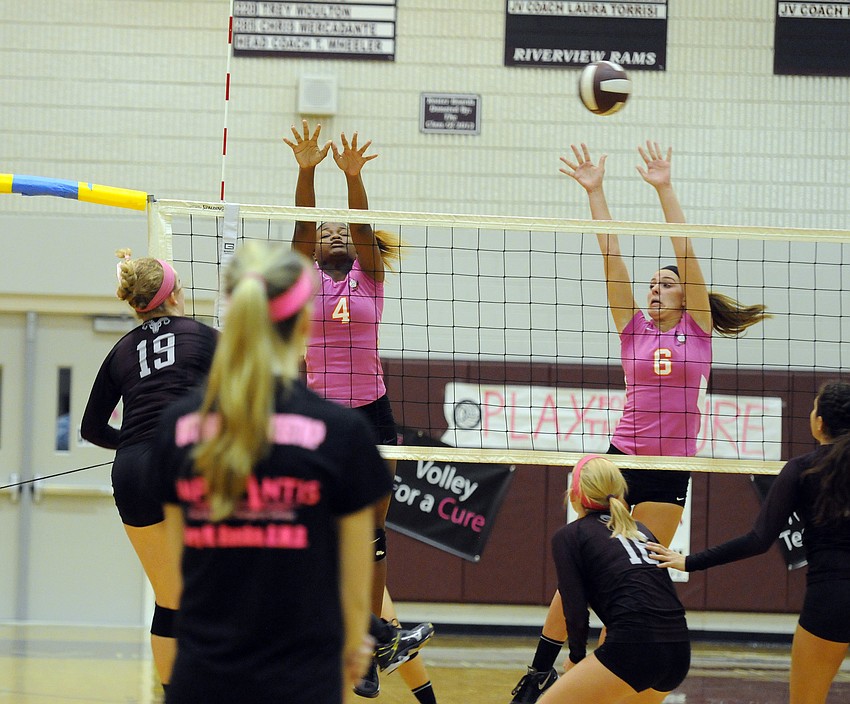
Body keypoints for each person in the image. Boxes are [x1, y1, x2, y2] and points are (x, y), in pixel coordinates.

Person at [510, 142, 769, 703]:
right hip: (621, 462)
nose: (656, 286)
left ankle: (611, 676)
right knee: (585, 568)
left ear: (687, 296)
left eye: (667, 282)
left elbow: (685, 246)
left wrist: (662, 187)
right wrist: (595, 191)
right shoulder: (632, 327)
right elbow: (611, 256)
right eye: (653, 281)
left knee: (634, 582)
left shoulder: (695, 329)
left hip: (670, 471)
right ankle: (540, 669)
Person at [152, 241, 427, 703]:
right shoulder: (341, 435)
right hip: (305, 673)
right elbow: (356, 591)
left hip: (204, 673)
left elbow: (186, 569)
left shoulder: (178, 430)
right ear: (305, 321)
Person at [285, 119, 426, 698]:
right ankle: (324, 633)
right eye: (327, 230)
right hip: (318, 416)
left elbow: (363, 227)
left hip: (371, 414)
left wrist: (354, 180)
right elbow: (299, 229)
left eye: (343, 229)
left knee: (373, 534)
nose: (335, 232)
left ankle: (370, 651)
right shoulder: (303, 279)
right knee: (316, 529)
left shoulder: (369, 280)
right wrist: (308, 170)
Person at [648, 381, 850, 704]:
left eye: (814, 408)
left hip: (830, 599)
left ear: (820, 422)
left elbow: (757, 540)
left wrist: (689, 561)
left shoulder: (801, 470)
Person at [80, 249, 218, 695]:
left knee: (171, 599)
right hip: (186, 460)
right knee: (234, 580)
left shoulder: (121, 351)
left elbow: (90, 427)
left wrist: (138, 441)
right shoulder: (203, 336)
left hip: (134, 469)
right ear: (175, 294)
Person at [538, 454, 690, 704]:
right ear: (620, 493)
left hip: (634, 648)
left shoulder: (570, 536)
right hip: (678, 650)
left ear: (574, 496)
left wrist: (576, 657)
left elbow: (575, 610)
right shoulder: (641, 531)